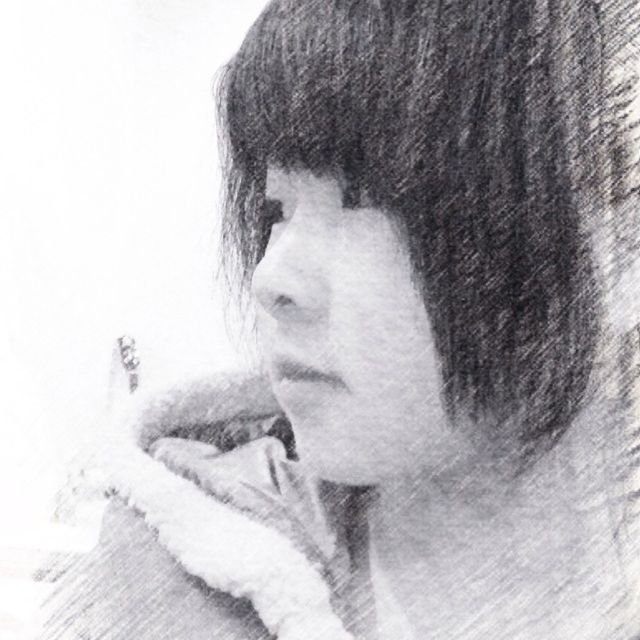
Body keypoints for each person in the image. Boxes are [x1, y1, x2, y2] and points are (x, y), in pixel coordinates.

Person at [42, 1, 640, 639]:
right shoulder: (175, 567)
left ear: (613, 242)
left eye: (365, 197)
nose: (269, 278)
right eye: (276, 210)